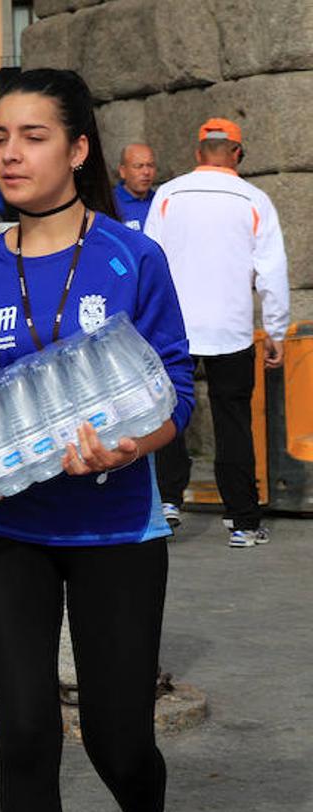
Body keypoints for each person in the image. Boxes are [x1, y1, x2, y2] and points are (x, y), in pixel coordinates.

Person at [0, 69, 193, 812]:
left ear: (78, 149)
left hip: (116, 533)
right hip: (8, 533)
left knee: (116, 742)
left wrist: (129, 451)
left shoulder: (134, 258)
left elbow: (177, 395)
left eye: (33, 137)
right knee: (23, 735)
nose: (8, 155)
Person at [145, 117, 289, 547]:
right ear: (238, 155)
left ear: (197, 153)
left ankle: (168, 501)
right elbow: (272, 272)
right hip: (231, 329)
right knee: (233, 423)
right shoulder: (254, 199)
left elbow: (148, 261)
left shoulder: (168, 195)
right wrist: (276, 330)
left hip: (175, 327)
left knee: (169, 416)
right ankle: (243, 520)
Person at [115, 143, 157, 231]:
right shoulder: (111, 204)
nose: (146, 172)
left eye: (150, 165)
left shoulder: (160, 201)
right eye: (138, 166)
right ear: (122, 171)